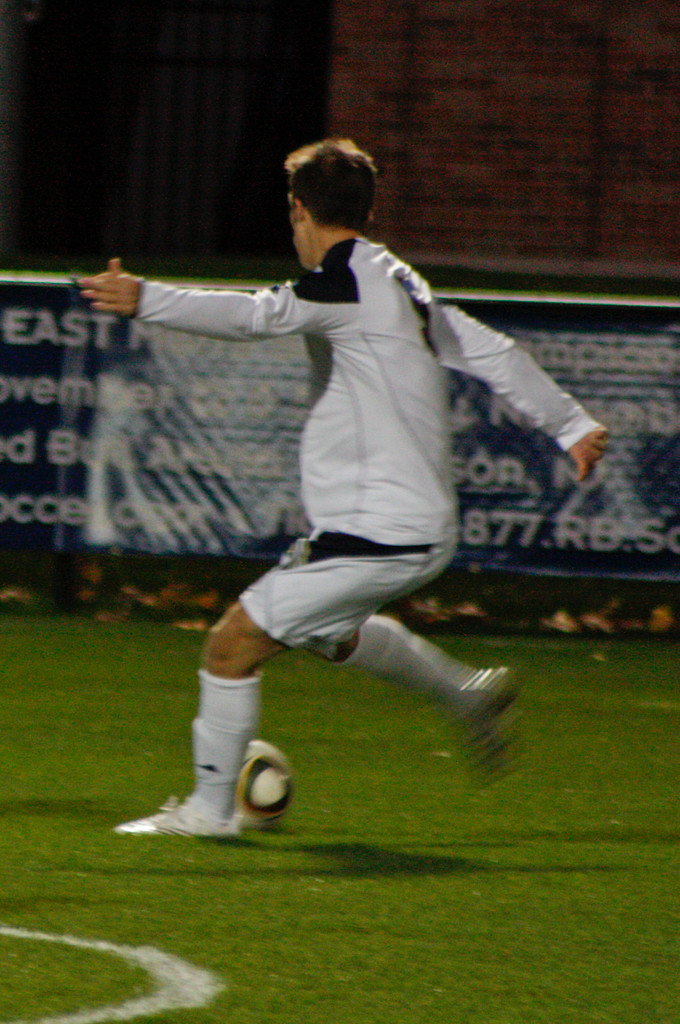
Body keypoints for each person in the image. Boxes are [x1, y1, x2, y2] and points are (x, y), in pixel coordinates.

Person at [80, 138, 608, 838]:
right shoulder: (392, 277)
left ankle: (209, 814)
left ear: (300, 210)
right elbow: (488, 350)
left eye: (290, 212)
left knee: (230, 646)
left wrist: (142, 297)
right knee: (337, 637)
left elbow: (252, 316)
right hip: (394, 525)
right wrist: (568, 421)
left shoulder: (344, 282)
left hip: (383, 529)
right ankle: (465, 694)